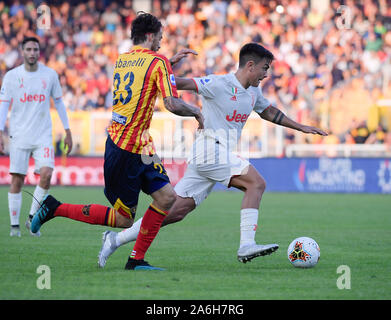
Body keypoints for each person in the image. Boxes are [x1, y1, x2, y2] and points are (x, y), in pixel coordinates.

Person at [98, 42, 328, 267]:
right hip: (210, 149)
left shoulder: (253, 92)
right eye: (265, 68)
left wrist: (302, 127)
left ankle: (115, 239)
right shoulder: (217, 83)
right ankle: (247, 244)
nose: (266, 74)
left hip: (213, 157)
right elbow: (177, 82)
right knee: (256, 184)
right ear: (250, 65)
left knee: (175, 211)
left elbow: (269, 112)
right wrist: (165, 65)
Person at [30, 13, 204, 270]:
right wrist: (198, 112)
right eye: (159, 35)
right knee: (123, 219)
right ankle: (54, 208)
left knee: (167, 198)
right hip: (125, 149)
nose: (162, 39)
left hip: (139, 145)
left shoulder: (123, 60)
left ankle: (136, 260)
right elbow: (170, 103)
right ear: (149, 36)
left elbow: (145, 80)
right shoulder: (158, 62)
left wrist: (168, 64)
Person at [0, 37, 73, 238]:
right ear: (22, 51)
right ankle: (14, 227)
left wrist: (67, 130)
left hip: (42, 135)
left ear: (39, 52)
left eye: (35, 49)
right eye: (29, 49)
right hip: (19, 134)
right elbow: (4, 105)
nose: (32, 52)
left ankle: (32, 218)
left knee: (47, 174)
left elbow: (59, 103)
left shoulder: (49, 75)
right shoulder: (11, 76)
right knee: (17, 180)